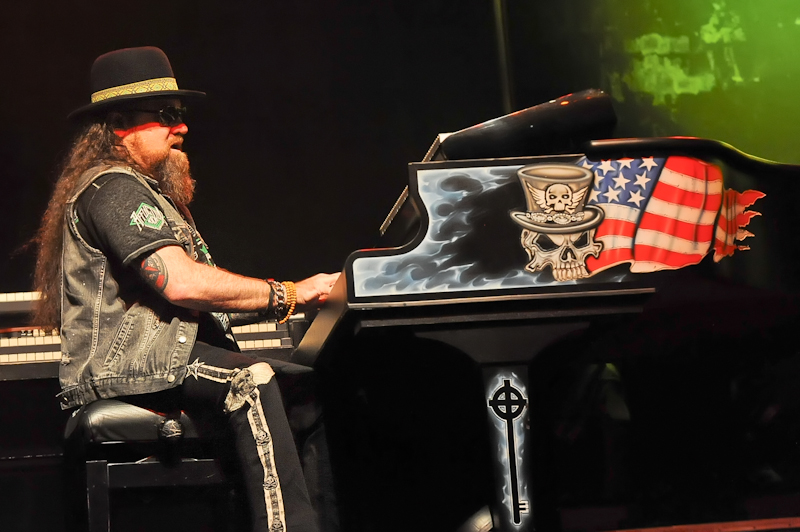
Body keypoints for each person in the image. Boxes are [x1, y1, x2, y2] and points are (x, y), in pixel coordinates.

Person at [29, 46, 339, 532]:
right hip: (132, 362)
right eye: (167, 116)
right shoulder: (111, 186)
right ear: (119, 123)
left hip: (168, 356)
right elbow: (180, 282)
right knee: (252, 378)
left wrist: (306, 296)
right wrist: (289, 294)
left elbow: (204, 298)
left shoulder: (152, 194)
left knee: (308, 392)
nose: (183, 127)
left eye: (181, 115)